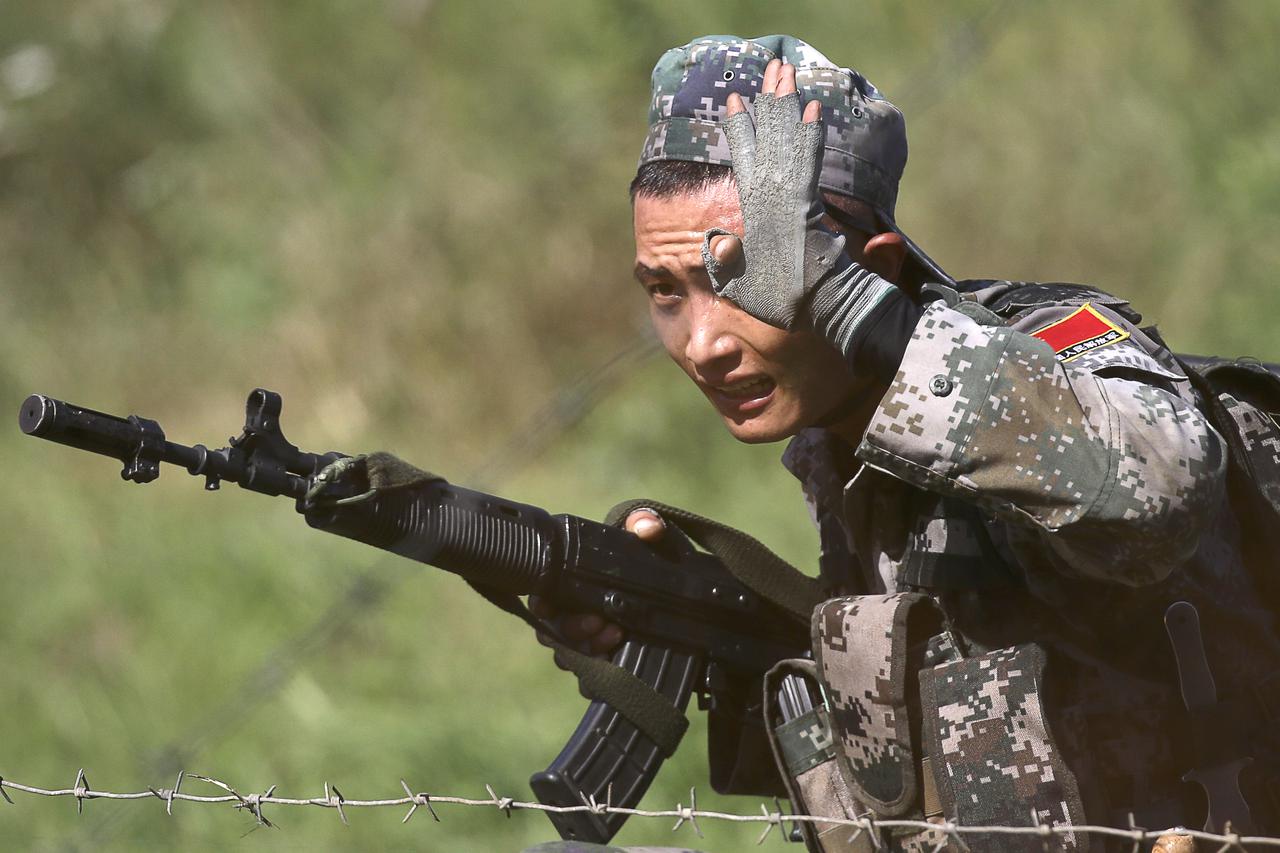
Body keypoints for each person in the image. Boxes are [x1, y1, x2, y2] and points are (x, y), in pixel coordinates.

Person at [530, 34, 1280, 850]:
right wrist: (674, 617)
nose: (703, 341)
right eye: (665, 291)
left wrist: (854, 311)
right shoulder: (838, 439)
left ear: (873, 269)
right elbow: (927, 729)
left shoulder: (1046, 352)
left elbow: (1159, 488)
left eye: (746, 281)